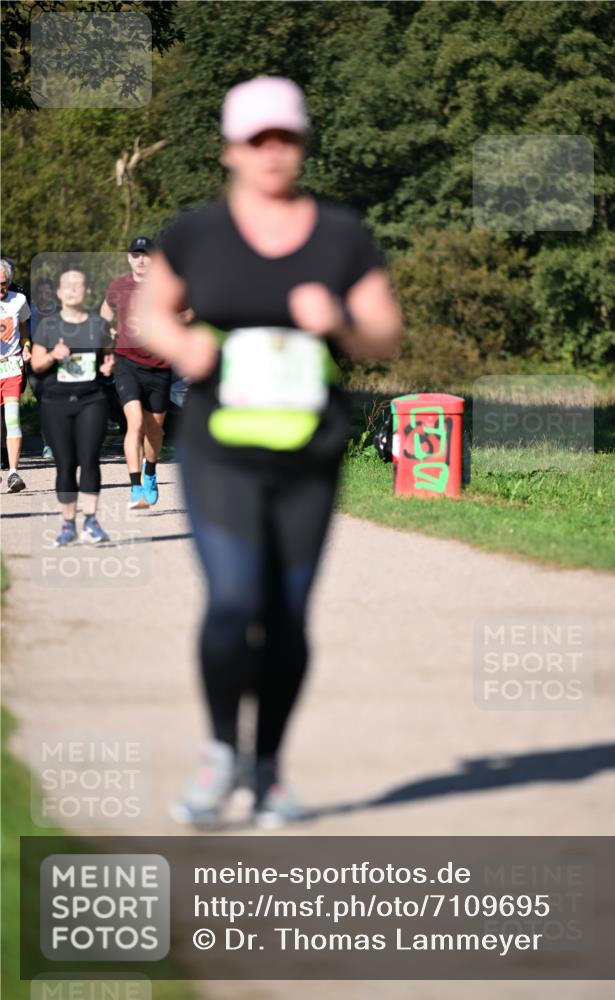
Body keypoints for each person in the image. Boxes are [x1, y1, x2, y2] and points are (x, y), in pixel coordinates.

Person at [138, 76, 403, 827]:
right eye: (257, 139)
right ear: (231, 149)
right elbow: (151, 312)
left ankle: (269, 769)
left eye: (284, 137)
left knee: (286, 616)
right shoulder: (196, 233)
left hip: (308, 450)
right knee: (232, 601)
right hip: (220, 443)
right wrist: (180, 339)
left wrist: (342, 318)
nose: (272, 152)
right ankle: (221, 750)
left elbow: (385, 332)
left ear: (301, 143)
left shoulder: (341, 235)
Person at [31, 267, 115, 545]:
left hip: (91, 399)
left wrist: (108, 364)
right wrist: (54, 355)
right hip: (56, 402)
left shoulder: (97, 325)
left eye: (78, 285)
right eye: (67, 285)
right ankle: (68, 524)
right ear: (59, 292)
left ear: (87, 292)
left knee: (89, 459)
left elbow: (108, 354)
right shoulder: (48, 326)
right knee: (65, 465)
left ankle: (91, 521)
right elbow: (36, 363)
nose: (72, 290)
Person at [101, 237, 171, 509]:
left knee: (155, 430)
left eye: (146, 255)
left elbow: (189, 312)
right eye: (136, 255)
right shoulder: (118, 286)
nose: (141, 260)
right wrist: (106, 328)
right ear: (129, 258)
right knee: (135, 423)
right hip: (127, 361)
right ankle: (135, 487)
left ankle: (150, 471)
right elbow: (105, 309)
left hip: (160, 366)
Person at [0, 258, 31, 492]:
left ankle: (13, 472)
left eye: (3, 284)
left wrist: (27, 346)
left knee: (12, 419)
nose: (1, 288)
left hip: (11, 366)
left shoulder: (18, 300)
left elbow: (23, 327)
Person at [29, 276, 58, 460]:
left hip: (56, 360)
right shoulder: (31, 310)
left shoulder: (59, 310)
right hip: (35, 361)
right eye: (41, 292)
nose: (44, 295)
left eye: (48, 292)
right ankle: (48, 443)